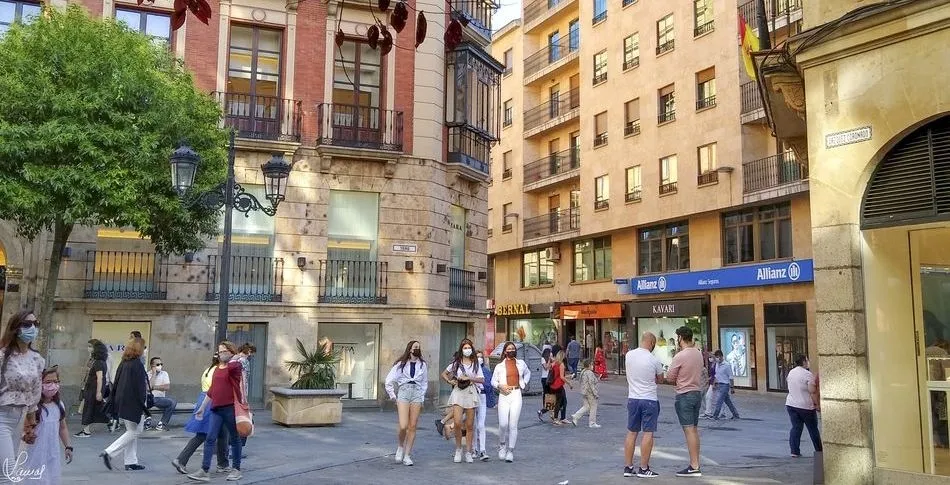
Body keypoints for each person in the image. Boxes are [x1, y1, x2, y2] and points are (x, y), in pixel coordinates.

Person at [187, 341, 245, 482]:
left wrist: (235, 357)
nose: (221, 354)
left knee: (235, 438)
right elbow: (212, 390)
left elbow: (231, 366)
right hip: (216, 408)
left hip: (230, 407)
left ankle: (236, 469)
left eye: (224, 351)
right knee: (210, 438)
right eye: (219, 351)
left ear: (231, 352)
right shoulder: (218, 368)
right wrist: (202, 408)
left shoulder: (235, 366)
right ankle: (204, 470)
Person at [0, 310, 46, 472]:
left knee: (8, 465)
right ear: (15, 328)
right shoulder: (3, 356)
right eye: (27, 324)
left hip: (20, 417)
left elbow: (35, 392)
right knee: (8, 470)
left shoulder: (37, 359)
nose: (32, 328)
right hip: (2, 415)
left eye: (35, 324)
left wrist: (30, 424)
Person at [173, 354, 229, 475]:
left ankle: (223, 464)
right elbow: (216, 389)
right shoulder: (218, 370)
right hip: (212, 402)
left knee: (222, 433)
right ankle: (181, 460)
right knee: (203, 435)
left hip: (204, 399)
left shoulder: (208, 370)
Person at [100, 338, 149, 471]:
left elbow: (116, 383)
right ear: (139, 349)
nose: (145, 351)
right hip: (134, 403)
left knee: (131, 431)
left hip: (123, 402)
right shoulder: (137, 364)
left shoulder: (124, 363)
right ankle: (109, 452)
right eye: (144, 348)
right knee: (136, 431)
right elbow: (140, 389)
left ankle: (131, 461)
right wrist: (143, 407)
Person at [664, 326, 705, 477]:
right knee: (693, 429)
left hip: (684, 395)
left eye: (677, 338)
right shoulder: (698, 354)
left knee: (689, 431)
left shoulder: (680, 356)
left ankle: (694, 466)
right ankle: (696, 463)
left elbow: (670, 377)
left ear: (680, 338)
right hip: (696, 393)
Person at [622, 332, 663, 478]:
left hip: (633, 398)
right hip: (649, 399)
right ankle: (644, 468)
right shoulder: (654, 359)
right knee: (648, 433)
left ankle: (628, 467)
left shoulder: (629, 355)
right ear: (651, 343)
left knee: (631, 432)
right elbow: (660, 378)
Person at [23, 366, 72, 485]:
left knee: (50, 479)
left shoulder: (59, 405)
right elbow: (22, 429)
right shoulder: (31, 407)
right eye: (48, 382)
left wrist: (68, 446)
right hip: (33, 453)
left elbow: (62, 427)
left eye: (55, 381)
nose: (53, 385)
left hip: (51, 453)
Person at [384, 340, 428, 467]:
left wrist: (422, 396)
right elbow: (389, 380)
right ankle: (400, 446)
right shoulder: (401, 364)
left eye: (419, 347)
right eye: (415, 347)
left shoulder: (422, 365)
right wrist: (393, 396)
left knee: (413, 426)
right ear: (410, 349)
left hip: (417, 393)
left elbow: (424, 382)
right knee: (403, 425)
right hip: (404, 392)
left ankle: (407, 455)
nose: (417, 349)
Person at [440, 338, 483, 464]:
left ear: (472, 349)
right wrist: (450, 381)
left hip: (470, 391)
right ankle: (458, 449)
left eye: (469, 347)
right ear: (461, 349)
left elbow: (482, 379)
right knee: (458, 423)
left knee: (470, 425)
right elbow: (444, 373)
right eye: (465, 348)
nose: (467, 350)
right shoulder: (456, 363)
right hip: (458, 391)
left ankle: (468, 451)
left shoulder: (475, 363)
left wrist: (469, 377)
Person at [491, 341, 531, 463]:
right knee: (503, 424)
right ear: (505, 351)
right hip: (504, 394)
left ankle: (510, 450)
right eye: (509, 349)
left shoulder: (521, 363)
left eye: (513, 348)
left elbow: (528, 373)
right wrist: (500, 386)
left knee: (513, 425)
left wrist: (523, 383)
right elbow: (493, 381)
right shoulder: (499, 366)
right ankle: (502, 444)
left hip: (516, 393)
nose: (511, 350)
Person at [785, 354, 822, 458]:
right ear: (804, 362)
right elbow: (812, 391)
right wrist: (817, 404)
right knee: (813, 429)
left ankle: (794, 451)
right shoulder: (807, 374)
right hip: (806, 406)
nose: (808, 362)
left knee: (796, 428)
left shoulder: (791, 372)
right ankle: (819, 450)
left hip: (791, 404)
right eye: (807, 360)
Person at [75, 339, 110, 437]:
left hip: (93, 389)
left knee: (88, 409)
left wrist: (98, 392)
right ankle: (87, 429)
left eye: (90, 346)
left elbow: (100, 378)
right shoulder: (98, 361)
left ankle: (86, 431)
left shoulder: (99, 362)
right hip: (91, 388)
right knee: (91, 409)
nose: (88, 348)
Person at [474, 350, 495, 461]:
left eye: (481, 357)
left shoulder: (486, 371)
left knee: (481, 425)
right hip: (471, 397)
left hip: (482, 397)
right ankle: (473, 449)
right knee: (471, 425)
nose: (479, 359)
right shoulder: (471, 369)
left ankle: (482, 450)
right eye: (477, 357)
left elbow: (489, 386)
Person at [146, 357, 178, 431]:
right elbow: (148, 388)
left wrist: (154, 387)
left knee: (173, 402)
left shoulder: (164, 373)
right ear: (152, 366)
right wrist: (154, 374)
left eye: (161, 364)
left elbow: (167, 387)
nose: (160, 365)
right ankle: (147, 420)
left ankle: (162, 424)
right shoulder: (148, 374)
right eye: (157, 364)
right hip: (149, 399)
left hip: (160, 399)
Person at [569, 359, 600, 428]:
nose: (593, 366)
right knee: (593, 406)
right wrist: (595, 393)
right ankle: (592, 423)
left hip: (584, 392)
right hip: (589, 392)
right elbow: (591, 384)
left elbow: (581, 381)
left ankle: (576, 416)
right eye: (592, 365)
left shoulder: (583, 372)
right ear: (589, 365)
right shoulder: (589, 373)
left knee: (586, 406)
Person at [711, 350, 740, 420]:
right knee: (728, 401)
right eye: (716, 357)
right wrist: (714, 383)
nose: (716, 358)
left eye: (717, 357)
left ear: (721, 356)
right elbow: (716, 375)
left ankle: (715, 415)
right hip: (719, 385)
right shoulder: (717, 364)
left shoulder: (727, 365)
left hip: (725, 385)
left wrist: (732, 387)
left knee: (719, 400)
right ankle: (735, 414)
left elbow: (731, 377)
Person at [548, 350, 573, 425]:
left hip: (552, 385)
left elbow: (553, 373)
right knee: (560, 402)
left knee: (561, 401)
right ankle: (557, 418)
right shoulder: (561, 364)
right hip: (558, 386)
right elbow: (562, 377)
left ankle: (561, 417)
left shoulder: (554, 363)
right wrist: (569, 383)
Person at [536, 348, 553, 422]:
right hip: (545, 378)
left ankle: (548, 411)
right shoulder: (543, 359)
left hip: (549, 378)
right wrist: (549, 360)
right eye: (550, 353)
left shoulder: (551, 360)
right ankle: (544, 409)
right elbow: (546, 368)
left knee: (550, 395)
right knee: (548, 395)